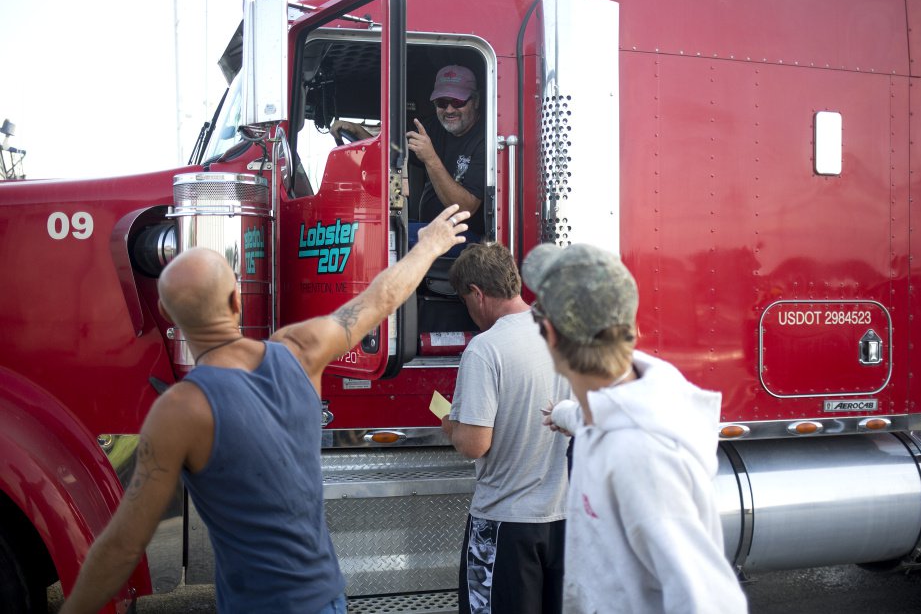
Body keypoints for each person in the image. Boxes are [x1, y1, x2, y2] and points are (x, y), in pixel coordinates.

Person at [59, 206, 472, 614]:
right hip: (327, 598)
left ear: (169, 315)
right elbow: (379, 298)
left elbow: (125, 544)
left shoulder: (180, 411)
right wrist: (428, 247)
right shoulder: (301, 349)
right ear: (237, 301)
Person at [522, 243, 748, 614]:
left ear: (551, 334)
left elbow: (710, 603)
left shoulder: (639, 456)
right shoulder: (613, 411)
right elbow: (592, 420)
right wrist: (563, 413)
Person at [441, 242, 572, 614]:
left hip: (505, 523)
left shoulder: (486, 348)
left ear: (477, 294)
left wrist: (450, 424)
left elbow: (474, 444)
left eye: (466, 302)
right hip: (564, 520)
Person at [408, 64, 486, 236]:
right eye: (442, 102)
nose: (449, 110)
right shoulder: (432, 127)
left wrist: (430, 158)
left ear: (476, 101)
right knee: (391, 229)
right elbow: (394, 149)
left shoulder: (486, 139)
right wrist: (360, 133)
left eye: (458, 102)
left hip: (467, 238)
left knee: (395, 238)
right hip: (430, 228)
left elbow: (465, 209)